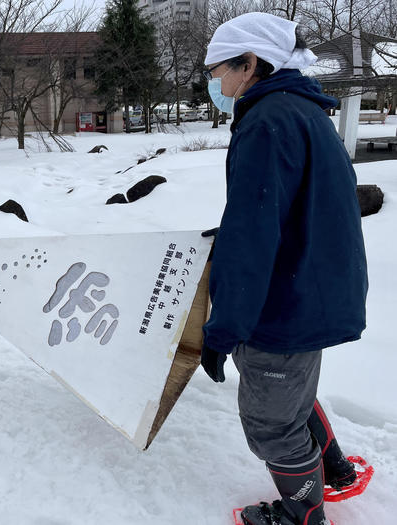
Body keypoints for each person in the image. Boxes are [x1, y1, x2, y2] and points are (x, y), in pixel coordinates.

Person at [199, 12, 368, 525]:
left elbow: (255, 239)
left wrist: (221, 330)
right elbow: (283, 208)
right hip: (312, 284)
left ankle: (302, 517)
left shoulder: (268, 122)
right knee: (292, 395)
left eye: (217, 71)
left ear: (250, 63)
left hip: (286, 299)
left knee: (270, 421)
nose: (213, 83)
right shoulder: (301, 109)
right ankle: (334, 469)